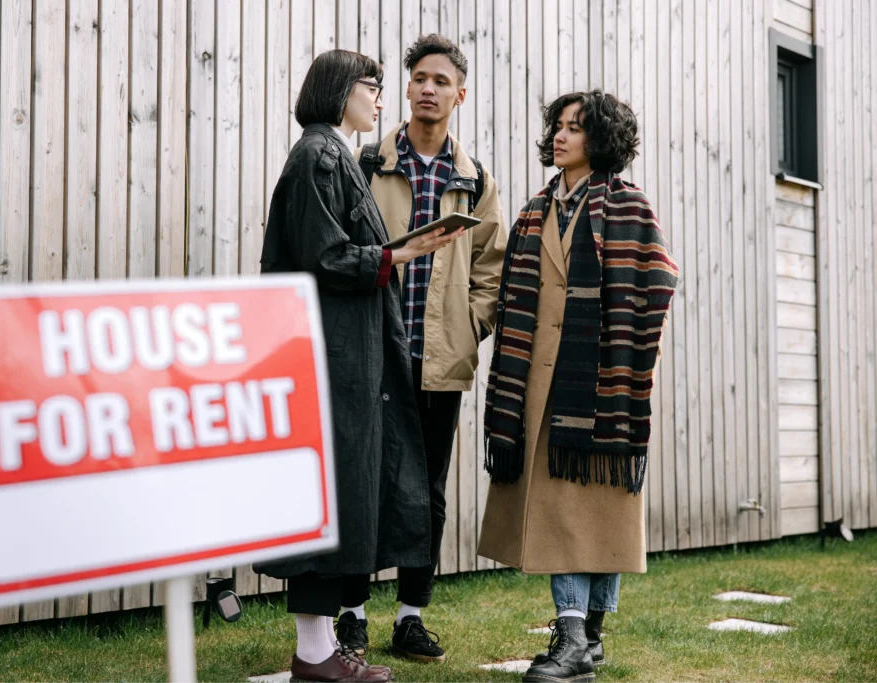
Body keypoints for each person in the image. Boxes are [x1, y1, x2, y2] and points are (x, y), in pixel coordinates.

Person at [256, 49, 464, 683]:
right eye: (372, 87)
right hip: (332, 357)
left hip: (343, 355)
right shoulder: (320, 155)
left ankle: (319, 651)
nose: (381, 99)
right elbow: (326, 257)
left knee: (336, 496)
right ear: (341, 90)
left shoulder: (330, 154)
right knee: (327, 496)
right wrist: (399, 255)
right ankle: (315, 656)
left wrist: (397, 251)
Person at [477, 90, 679, 683]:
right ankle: (574, 638)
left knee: (598, 514)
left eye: (576, 128)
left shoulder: (630, 206)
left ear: (602, 139)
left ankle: (584, 641)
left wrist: (624, 352)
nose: (561, 137)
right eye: (558, 127)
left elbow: (658, 283)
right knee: (563, 511)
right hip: (537, 384)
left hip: (602, 383)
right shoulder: (535, 209)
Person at [335, 34, 506, 665]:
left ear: (460, 94)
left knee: (425, 490)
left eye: (441, 80)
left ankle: (410, 617)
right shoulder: (363, 164)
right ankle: (350, 614)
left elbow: (492, 268)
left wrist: (470, 323)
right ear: (407, 89)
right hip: (374, 354)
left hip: (439, 360)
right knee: (362, 483)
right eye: (419, 79)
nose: (428, 88)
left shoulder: (475, 179)